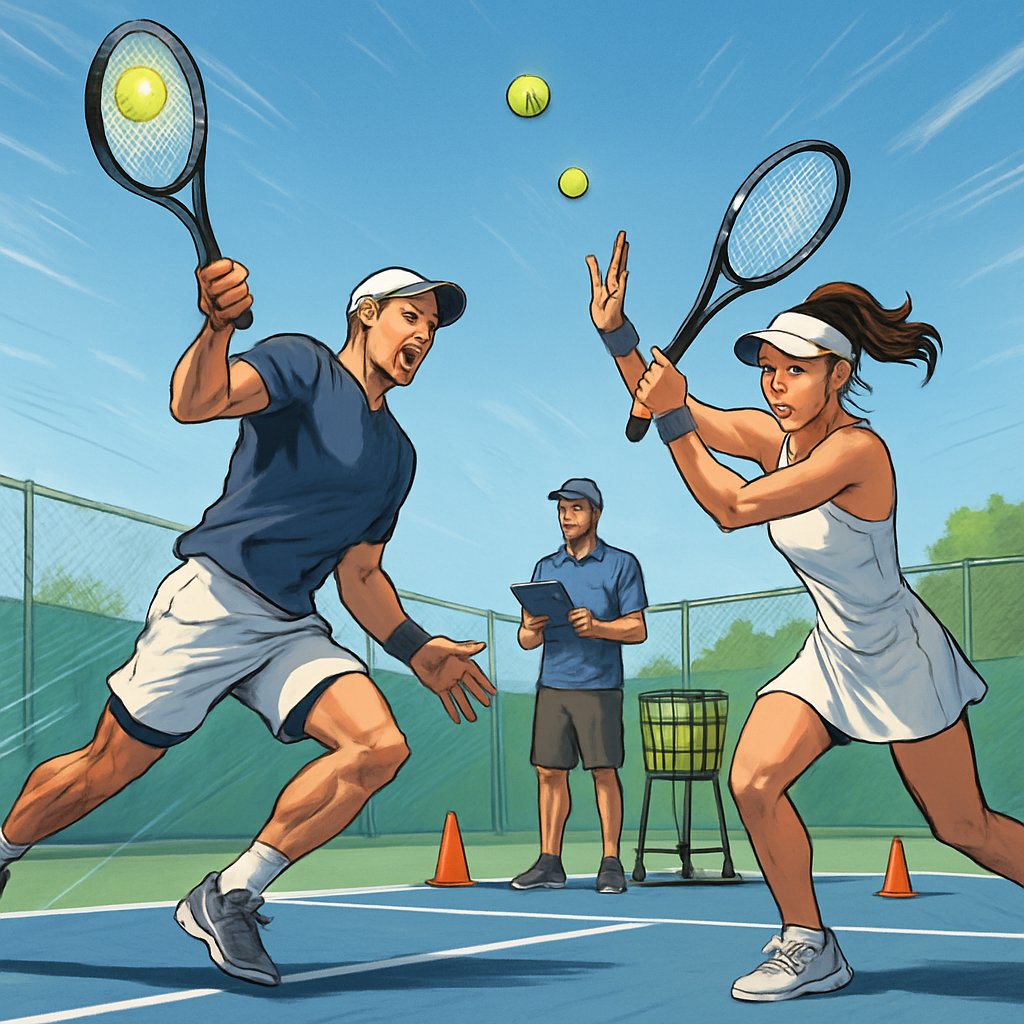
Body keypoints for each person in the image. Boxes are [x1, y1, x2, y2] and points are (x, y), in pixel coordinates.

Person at [0, 259, 496, 987]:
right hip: (214, 599)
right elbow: (196, 401)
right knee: (103, 771)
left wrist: (416, 650)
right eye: (409, 315)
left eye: (431, 325)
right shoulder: (302, 365)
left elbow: (359, 575)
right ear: (366, 314)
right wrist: (217, 325)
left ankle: (230, 893)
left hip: (289, 626)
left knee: (378, 747)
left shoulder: (397, 456)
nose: (422, 334)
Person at [588, 230, 1024, 1001]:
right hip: (833, 653)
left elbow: (731, 507)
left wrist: (669, 418)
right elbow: (679, 402)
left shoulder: (859, 454)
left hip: (901, 657)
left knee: (965, 828)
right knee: (753, 779)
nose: (776, 384)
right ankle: (809, 943)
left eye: (796, 370)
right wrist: (618, 334)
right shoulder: (774, 439)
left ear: (839, 374)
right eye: (767, 369)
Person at [511, 477, 647, 895]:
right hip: (553, 685)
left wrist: (599, 627)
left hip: (600, 687)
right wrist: (531, 628)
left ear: (595, 514)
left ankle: (610, 862)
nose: (567, 517)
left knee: (604, 771)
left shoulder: (622, 564)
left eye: (576, 509)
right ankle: (549, 862)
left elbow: (637, 629)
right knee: (548, 772)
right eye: (562, 510)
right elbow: (526, 639)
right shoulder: (545, 568)